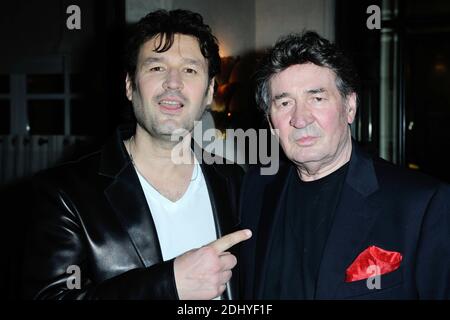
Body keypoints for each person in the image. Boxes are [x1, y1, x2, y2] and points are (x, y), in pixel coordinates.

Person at [22, 9, 251, 300]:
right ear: (130, 86)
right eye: (156, 68)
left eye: (190, 70)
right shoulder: (65, 193)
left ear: (208, 93)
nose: (173, 83)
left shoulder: (235, 182)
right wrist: (168, 285)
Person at [240, 31, 450, 299]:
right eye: (284, 103)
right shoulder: (254, 189)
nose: (300, 118)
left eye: (317, 98)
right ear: (270, 123)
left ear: (349, 106)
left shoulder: (422, 204)